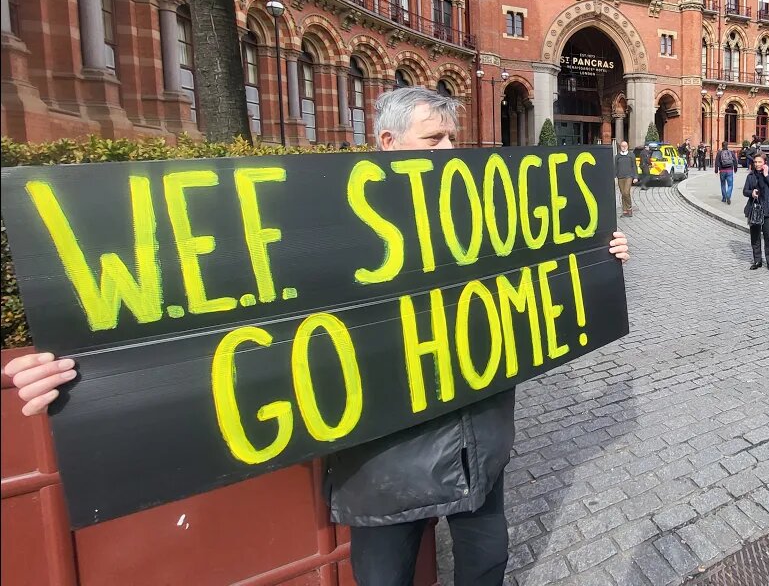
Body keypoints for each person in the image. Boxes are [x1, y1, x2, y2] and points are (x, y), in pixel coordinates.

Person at [1, 87, 633, 586]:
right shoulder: (325, 226)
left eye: (452, 139)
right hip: (383, 468)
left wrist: (599, 259)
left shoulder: (484, 210)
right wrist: (77, 372)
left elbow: (539, 282)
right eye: (432, 139)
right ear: (387, 143)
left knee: (485, 564)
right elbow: (205, 313)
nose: (448, 152)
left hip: (480, 446)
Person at [743, 153, 769, 271]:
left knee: (768, 237)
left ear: (764, 162)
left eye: (759, 162)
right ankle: (757, 261)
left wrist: (766, 176)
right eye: (755, 162)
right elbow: (745, 191)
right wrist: (751, 193)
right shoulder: (751, 176)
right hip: (755, 208)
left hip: (768, 210)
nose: (757, 164)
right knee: (755, 236)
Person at [615, 140, 638, 217]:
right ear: (620, 147)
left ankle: (629, 208)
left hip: (629, 176)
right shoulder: (617, 156)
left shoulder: (631, 155)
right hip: (620, 177)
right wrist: (614, 176)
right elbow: (615, 167)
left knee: (626, 192)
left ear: (627, 146)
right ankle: (625, 211)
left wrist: (635, 177)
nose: (624, 147)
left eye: (625, 146)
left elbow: (634, 166)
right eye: (622, 146)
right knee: (623, 194)